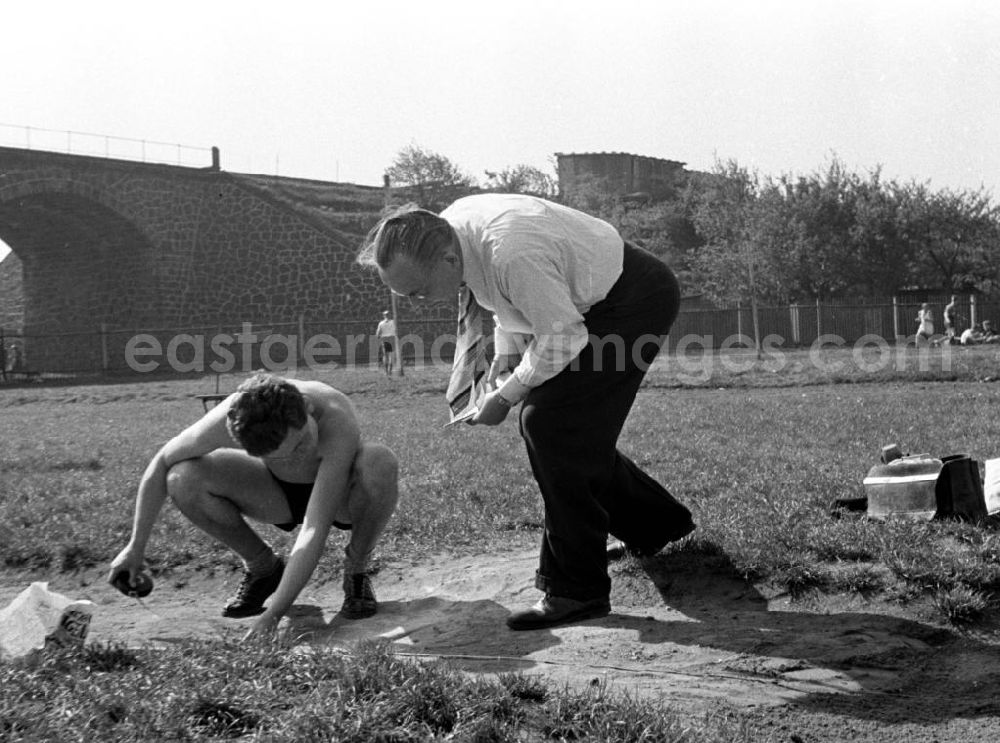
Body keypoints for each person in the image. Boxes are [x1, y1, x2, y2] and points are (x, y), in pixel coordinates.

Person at [357, 194, 694, 631]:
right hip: (587, 305)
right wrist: (504, 359)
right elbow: (505, 302)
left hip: (632, 301)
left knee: (551, 424)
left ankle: (577, 590)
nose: (418, 301)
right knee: (566, 431)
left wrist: (504, 396)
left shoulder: (511, 252)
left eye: (418, 291)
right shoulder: (449, 235)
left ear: (445, 259)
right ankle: (657, 526)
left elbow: (561, 337)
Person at [107, 372, 399, 637]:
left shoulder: (334, 416)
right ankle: (263, 569)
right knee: (182, 476)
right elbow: (161, 461)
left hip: (340, 498)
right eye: (281, 455)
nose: (297, 456)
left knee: (379, 462)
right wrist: (136, 546)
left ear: (307, 408)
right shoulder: (233, 415)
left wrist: (273, 616)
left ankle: (356, 570)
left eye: (301, 443)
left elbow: (314, 529)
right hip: (274, 494)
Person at [374, 310, 397, 376]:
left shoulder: (381, 323)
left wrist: (379, 337)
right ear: (390, 315)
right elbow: (397, 330)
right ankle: (390, 371)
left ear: (384, 316)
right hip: (392, 338)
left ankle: (386, 371)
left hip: (384, 339)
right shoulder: (393, 322)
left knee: (385, 356)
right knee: (391, 355)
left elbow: (377, 334)